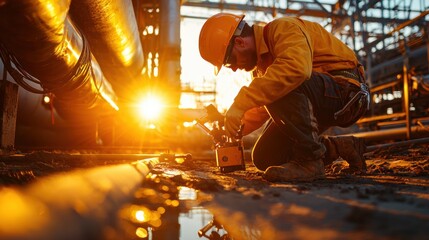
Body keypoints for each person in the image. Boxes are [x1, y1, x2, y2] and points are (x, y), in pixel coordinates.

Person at [198, 13, 370, 182]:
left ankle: (310, 161)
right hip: (322, 98)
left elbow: (296, 70)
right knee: (265, 156)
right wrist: (233, 124)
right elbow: (261, 107)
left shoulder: (282, 28)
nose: (234, 68)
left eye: (230, 61)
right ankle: (339, 147)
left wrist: (240, 102)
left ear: (239, 42)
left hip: (348, 94)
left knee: (280, 81)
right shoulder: (262, 69)